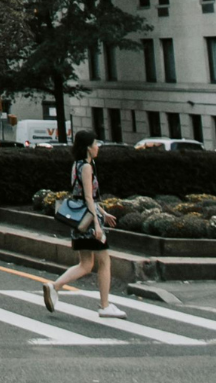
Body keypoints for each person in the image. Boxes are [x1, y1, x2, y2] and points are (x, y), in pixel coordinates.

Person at [43, 129, 125, 319]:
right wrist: (97, 223)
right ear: (88, 148)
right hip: (88, 220)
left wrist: (104, 213)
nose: (98, 148)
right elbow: (88, 197)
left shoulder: (77, 165)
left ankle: (54, 286)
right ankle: (104, 305)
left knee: (86, 264)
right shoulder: (87, 167)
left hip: (79, 219)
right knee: (104, 261)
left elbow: (82, 196)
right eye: (95, 144)